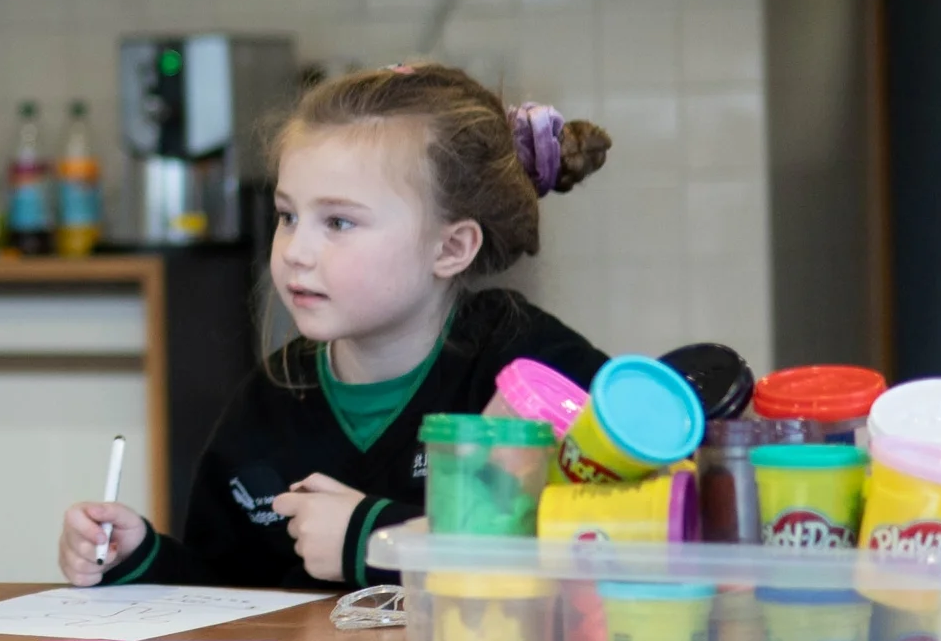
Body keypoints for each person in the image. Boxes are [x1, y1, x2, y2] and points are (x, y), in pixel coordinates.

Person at [58, 62, 613, 590]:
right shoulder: (267, 403)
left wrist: (371, 540)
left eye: (339, 222)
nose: (296, 251)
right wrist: (141, 561)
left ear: (451, 247)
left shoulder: (539, 373)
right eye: (287, 216)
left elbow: (602, 550)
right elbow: (226, 599)